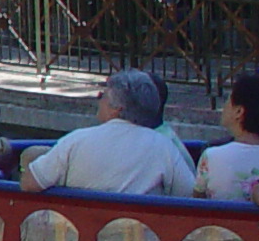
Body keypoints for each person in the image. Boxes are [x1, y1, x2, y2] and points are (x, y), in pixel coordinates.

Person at [20, 68, 195, 198]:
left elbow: (29, 184)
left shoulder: (77, 140)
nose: (98, 101)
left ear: (117, 109)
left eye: (102, 96)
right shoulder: (164, 147)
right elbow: (189, 195)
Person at [194, 72, 259, 203]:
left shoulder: (211, 156)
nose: (224, 107)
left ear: (239, 111)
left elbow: (197, 201)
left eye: (228, 100)